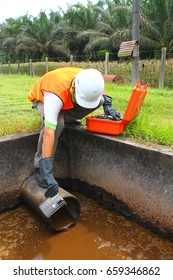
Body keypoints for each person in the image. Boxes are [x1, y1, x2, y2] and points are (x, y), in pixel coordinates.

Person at [28, 67, 121, 198]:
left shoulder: (89, 78)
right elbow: (49, 133)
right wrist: (47, 171)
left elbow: (100, 88)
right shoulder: (53, 94)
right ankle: (39, 168)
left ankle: (69, 118)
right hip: (43, 98)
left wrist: (108, 104)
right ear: (73, 90)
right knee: (58, 123)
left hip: (66, 98)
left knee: (100, 100)